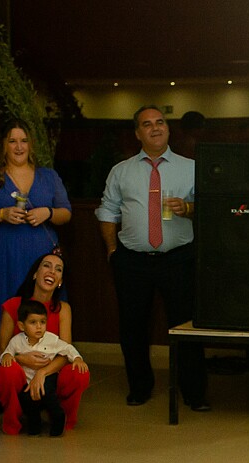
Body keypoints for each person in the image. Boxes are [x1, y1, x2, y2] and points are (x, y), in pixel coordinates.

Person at [96, 105, 207, 411]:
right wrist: (111, 249)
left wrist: (189, 208)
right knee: (132, 328)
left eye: (160, 122)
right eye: (147, 124)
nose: (156, 128)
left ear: (168, 129)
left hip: (178, 258)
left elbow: (208, 206)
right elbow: (108, 210)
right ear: (137, 133)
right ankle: (139, 388)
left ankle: (194, 393)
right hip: (132, 260)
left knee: (186, 328)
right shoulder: (121, 171)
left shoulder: (190, 167)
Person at [0, 119, 72, 406]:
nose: (18, 146)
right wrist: (0, 215)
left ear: (31, 144)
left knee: (41, 317)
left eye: (23, 140)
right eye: (12, 141)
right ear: (3, 146)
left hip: (38, 256)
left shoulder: (48, 176)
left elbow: (66, 212)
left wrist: (47, 213)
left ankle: (43, 390)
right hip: (0, 257)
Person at [0, 251, 91, 434]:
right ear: (35, 274)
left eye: (58, 269)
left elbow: (65, 353)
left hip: (51, 374)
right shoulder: (13, 305)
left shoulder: (63, 309)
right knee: (6, 371)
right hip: (20, 372)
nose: (52, 272)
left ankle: (63, 417)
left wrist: (42, 373)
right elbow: (1, 352)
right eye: (46, 266)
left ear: (60, 281)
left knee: (79, 372)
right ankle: (13, 419)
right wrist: (22, 360)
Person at [0, 299, 85, 437]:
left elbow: (67, 348)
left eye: (42, 322)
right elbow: (6, 353)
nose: (39, 327)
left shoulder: (51, 339)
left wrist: (77, 358)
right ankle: (34, 424)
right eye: (33, 322)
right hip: (27, 380)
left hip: (47, 377)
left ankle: (58, 418)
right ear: (22, 325)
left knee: (48, 395)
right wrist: (8, 356)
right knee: (27, 400)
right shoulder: (17, 341)